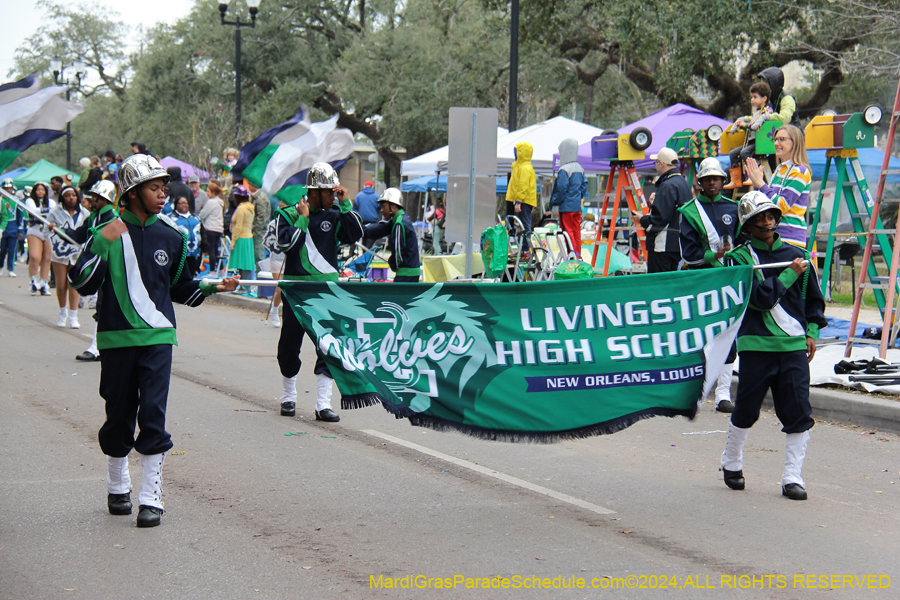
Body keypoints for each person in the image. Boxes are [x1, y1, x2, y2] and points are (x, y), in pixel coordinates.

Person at [68, 154, 238, 527]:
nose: (163, 195)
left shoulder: (172, 237)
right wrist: (100, 243)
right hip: (115, 338)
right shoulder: (108, 233)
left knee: (153, 413)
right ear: (131, 193)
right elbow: (80, 283)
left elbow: (181, 288)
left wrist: (214, 286)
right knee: (119, 414)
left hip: (159, 337)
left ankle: (151, 496)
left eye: (164, 188)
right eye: (154, 188)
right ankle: (117, 484)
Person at [721, 191, 826, 501]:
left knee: (798, 410)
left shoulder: (798, 253)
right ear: (748, 227)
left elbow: (814, 301)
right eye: (758, 219)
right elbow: (759, 299)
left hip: (793, 346)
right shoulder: (739, 260)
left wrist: (811, 331)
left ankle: (792, 476)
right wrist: (790, 274)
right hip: (756, 345)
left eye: (770, 215)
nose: (767, 221)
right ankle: (731, 461)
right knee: (747, 410)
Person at [271, 162, 363, 421]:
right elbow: (287, 245)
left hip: (326, 291)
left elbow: (356, 233)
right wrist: (302, 218)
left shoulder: (336, 214)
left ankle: (323, 403)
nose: (334, 196)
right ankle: (288, 396)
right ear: (314, 192)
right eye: (330, 192)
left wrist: (346, 205)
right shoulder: (288, 214)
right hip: (297, 290)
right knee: (289, 346)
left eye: (335, 193)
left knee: (328, 346)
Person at [678, 157, 740, 413]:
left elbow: (744, 244)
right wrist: (712, 256)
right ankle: (697, 390)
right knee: (700, 336)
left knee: (729, 335)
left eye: (716, 178)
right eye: (707, 179)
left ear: (723, 181)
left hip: (729, 279)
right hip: (702, 279)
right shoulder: (689, 211)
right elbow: (688, 252)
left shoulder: (734, 208)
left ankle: (724, 394)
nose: (712, 183)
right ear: (700, 182)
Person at [52, 180, 119, 361]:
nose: (92, 200)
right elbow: (80, 236)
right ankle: (99, 347)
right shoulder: (93, 217)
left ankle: (98, 347)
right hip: (99, 269)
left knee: (106, 306)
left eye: (96, 197)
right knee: (103, 306)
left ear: (105, 198)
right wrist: (59, 231)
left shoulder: (113, 220)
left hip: (112, 270)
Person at [745, 124, 811, 249]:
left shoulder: (800, 171)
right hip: (774, 237)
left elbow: (781, 206)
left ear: (795, 142)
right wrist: (756, 184)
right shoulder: (779, 170)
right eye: (775, 139)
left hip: (790, 239)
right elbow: (767, 202)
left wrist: (761, 184)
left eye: (782, 139)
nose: (776, 143)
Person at [632, 147, 691, 273]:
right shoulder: (683, 183)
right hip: (679, 243)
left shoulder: (667, 185)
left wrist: (642, 219)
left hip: (663, 245)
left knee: (659, 283)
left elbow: (659, 219)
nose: (655, 166)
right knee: (673, 282)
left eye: (656, 162)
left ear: (661, 163)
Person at [47, 185, 89, 328]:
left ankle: (73, 316)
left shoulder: (85, 213)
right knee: (61, 284)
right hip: (60, 252)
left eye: (74, 195)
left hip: (77, 251)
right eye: (67, 195)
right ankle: (62, 313)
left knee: (74, 283)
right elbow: (46, 232)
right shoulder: (55, 212)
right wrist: (50, 229)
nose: (71, 198)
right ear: (62, 198)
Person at [363, 188, 421, 282]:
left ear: (393, 206)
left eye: (383, 206)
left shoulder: (399, 223)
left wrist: (392, 263)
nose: (381, 210)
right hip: (410, 271)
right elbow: (379, 229)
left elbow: (398, 252)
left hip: (406, 273)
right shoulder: (402, 219)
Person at [725, 81, 774, 189]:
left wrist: (745, 125)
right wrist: (739, 123)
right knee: (733, 153)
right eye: (751, 97)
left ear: (764, 98)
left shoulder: (767, 111)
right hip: (751, 142)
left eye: (755, 97)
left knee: (745, 152)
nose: (752, 100)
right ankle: (736, 179)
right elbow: (751, 120)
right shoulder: (756, 111)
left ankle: (751, 175)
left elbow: (755, 125)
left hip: (760, 143)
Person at [550, 138, 588, 256]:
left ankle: (571, 256)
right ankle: (577, 255)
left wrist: (555, 201)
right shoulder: (580, 168)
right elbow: (584, 185)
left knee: (568, 232)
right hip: (576, 206)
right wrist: (577, 196)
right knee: (576, 232)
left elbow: (561, 188)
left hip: (566, 207)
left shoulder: (564, 169)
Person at [24, 181, 55, 295]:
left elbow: (54, 211)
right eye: (38, 189)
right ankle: (32, 281)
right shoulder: (29, 201)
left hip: (47, 231)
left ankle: (43, 283)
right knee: (35, 256)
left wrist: (44, 211)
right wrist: (46, 211)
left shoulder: (51, 201)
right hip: (35, 230)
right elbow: (33, 211)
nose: (40, 192)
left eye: (42, 190)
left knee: (47, 258)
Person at [507, 142, 537, 254]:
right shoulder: (523, 166)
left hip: (524, 200)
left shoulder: (524, 168)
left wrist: (518, 200)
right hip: (525, 200)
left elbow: (522, 185)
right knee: (523, 223)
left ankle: (525, 249)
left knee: (524, 224)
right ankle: (524, 248)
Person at [227, 184, 256, 290]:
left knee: (241, 264)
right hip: (248, 237)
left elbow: (238, 227)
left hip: (241, 238)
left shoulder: (241, 209)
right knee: (247, 264)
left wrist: (233, 241)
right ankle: (246, 286)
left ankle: (244, 287)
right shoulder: (250, 207)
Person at [171, 196, 202, 278]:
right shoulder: (172, 219)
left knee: (192, 274)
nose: (183, 205)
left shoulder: (196, 218)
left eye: (185, 203)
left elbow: (202, 233)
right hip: (181, 253)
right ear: (176, 205)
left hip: (195, 252)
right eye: (180, 203)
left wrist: (205, 247)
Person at [199, 181, 225, 275]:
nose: (207, 193)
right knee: (216, 250)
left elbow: (202, 214)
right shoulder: (220, 202)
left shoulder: (211, 202)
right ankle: (221, 269)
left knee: (211, 250)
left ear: (213, 193)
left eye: (208, 191)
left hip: (211, 228)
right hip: (218, 229)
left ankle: (212, 270)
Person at [0, 179, 24, 277]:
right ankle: (0, 267)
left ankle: (10, 269)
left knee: (12, 250)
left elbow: (20, 216)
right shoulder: (1, 200)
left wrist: (20, 230)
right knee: (2, 250)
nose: (8, 190)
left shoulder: (16, 200)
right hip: (2, 228)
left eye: (10, 188)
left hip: (13, 228)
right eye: (6, 188)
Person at [248, 182, 271, 265]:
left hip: (259, 232)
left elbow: (261, 218)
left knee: (258, 255)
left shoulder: (261, 198)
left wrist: (255, 232)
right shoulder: (257, 197)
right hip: (258, 231)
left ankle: (259, 274)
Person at [354, 180, 380, 248]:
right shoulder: (376, 197)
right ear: (372, 187)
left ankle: (360, 251)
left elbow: (354, 208)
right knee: (370, 238)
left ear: (364, 186)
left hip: (362, 220)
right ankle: (368, 251)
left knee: (363, 236)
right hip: (373, 221)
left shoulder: (359, 195)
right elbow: (380, 208)